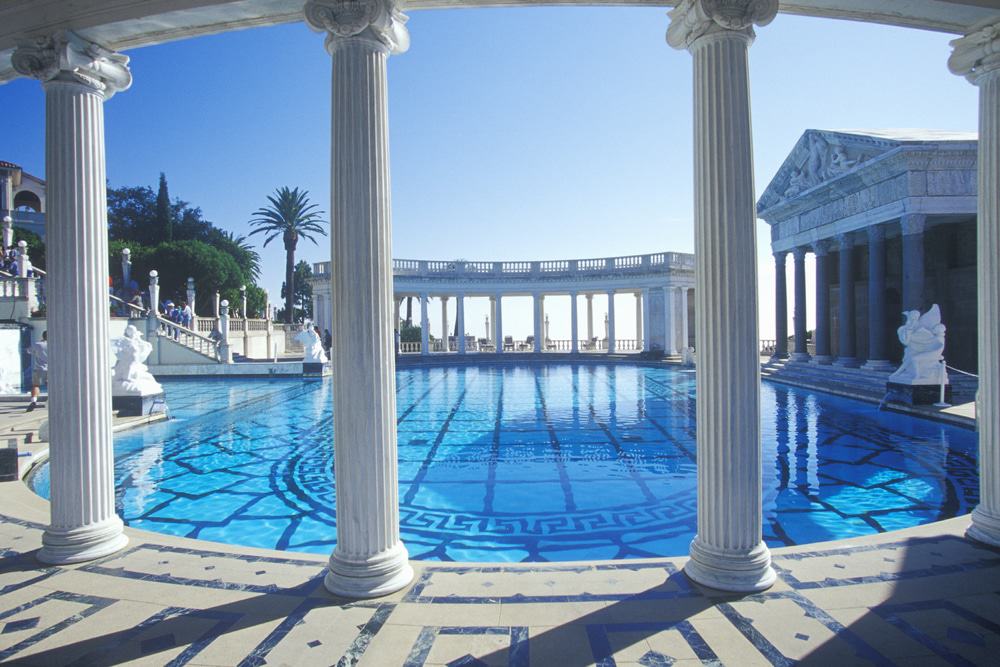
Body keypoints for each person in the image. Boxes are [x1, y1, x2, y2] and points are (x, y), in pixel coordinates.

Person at [28, 330, 47, 412]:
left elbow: (29, 351)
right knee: (52, 386)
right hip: (52, 369)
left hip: (38, 368)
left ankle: (33, 401)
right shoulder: (55, 344)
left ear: (43, 336)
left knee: (36, 385)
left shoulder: (38, 344)